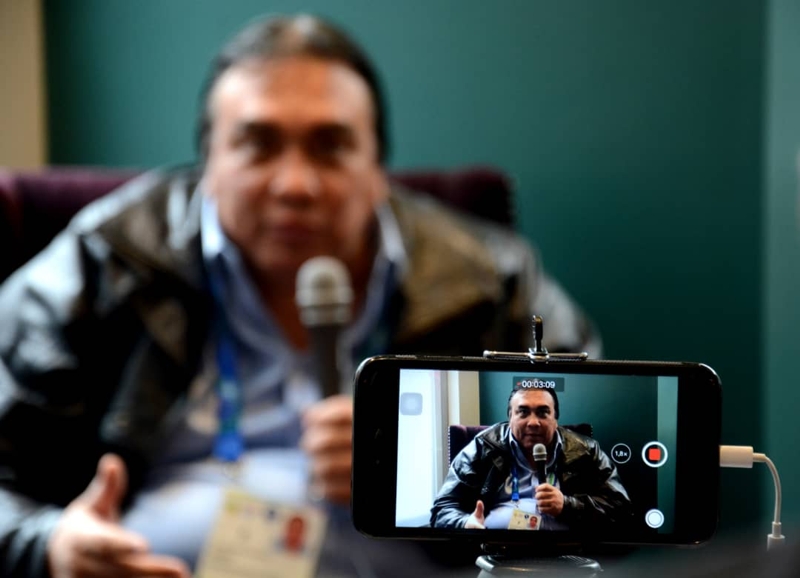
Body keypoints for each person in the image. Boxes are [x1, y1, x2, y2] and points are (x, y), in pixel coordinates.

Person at [0, 13, 602, 578]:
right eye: (259, 144)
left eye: (330, 146)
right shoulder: (107, 260)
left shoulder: (492, 277)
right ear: (209, 164)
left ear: (377, 170)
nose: (295, 185)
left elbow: (603, 478)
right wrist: (45, 544)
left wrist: (422, 477)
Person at [430, 382, 632, 531]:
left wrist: (567, 505)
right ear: (510, 417)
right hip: (495, 554)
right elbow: (443, 509)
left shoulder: (585, 450)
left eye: (543, 413)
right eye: (523, 412)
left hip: (567, 556)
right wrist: (465, 523)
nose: (533, 422)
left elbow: (621, 510)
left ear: (555, 419)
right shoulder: (483, 447)